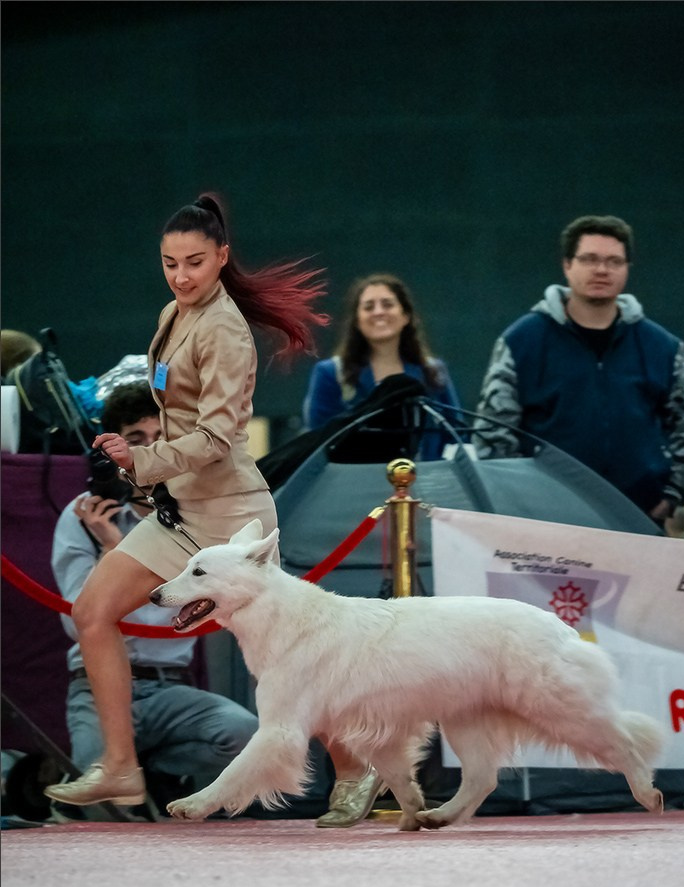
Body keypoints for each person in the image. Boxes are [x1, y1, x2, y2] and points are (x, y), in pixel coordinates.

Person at [43, 191, 329, 811]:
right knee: (93, 612)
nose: (180, 276)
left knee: (288, 660)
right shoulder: (176, 314)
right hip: (181, 509)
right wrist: (141, 469)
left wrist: (140, 462)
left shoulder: (225, 328)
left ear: (223, 257)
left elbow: (220, 435)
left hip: (231, 519)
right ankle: (120, 767)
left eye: (194, 262)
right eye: (170, 263)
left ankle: (361, 764)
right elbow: (177, 420)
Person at [50, 380, 260, 817]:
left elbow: (195, 614)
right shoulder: (83, 516)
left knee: (242, 734)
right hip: (94, 689)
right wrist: (111, 549)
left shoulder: (197, 519)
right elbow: (78, 623)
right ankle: (126, 769)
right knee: (102, 802)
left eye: (159, 439)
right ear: (111, 449)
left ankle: (157, 770)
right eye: (135, 440)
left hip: (170, 686)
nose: (147, 451)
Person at [471, 215, 684, 525]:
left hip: (641, 521)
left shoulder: (664, 348)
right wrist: (526, 503)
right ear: (567, 265)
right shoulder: (521, 342)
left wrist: (670, 497)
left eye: (614, 261)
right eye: (589, 259)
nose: (602, 270)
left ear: (627, 269)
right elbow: (492, 434)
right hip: (549, 525)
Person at [303, 273, 462, 461]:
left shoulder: (434, 372)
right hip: (355, 485)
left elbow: (457, 434)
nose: (378, 312)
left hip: (427, 484)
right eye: (369, 307)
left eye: (388, 304)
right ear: (357, 321)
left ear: (406, 316)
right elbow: (320, 441)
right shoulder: (331, 374)